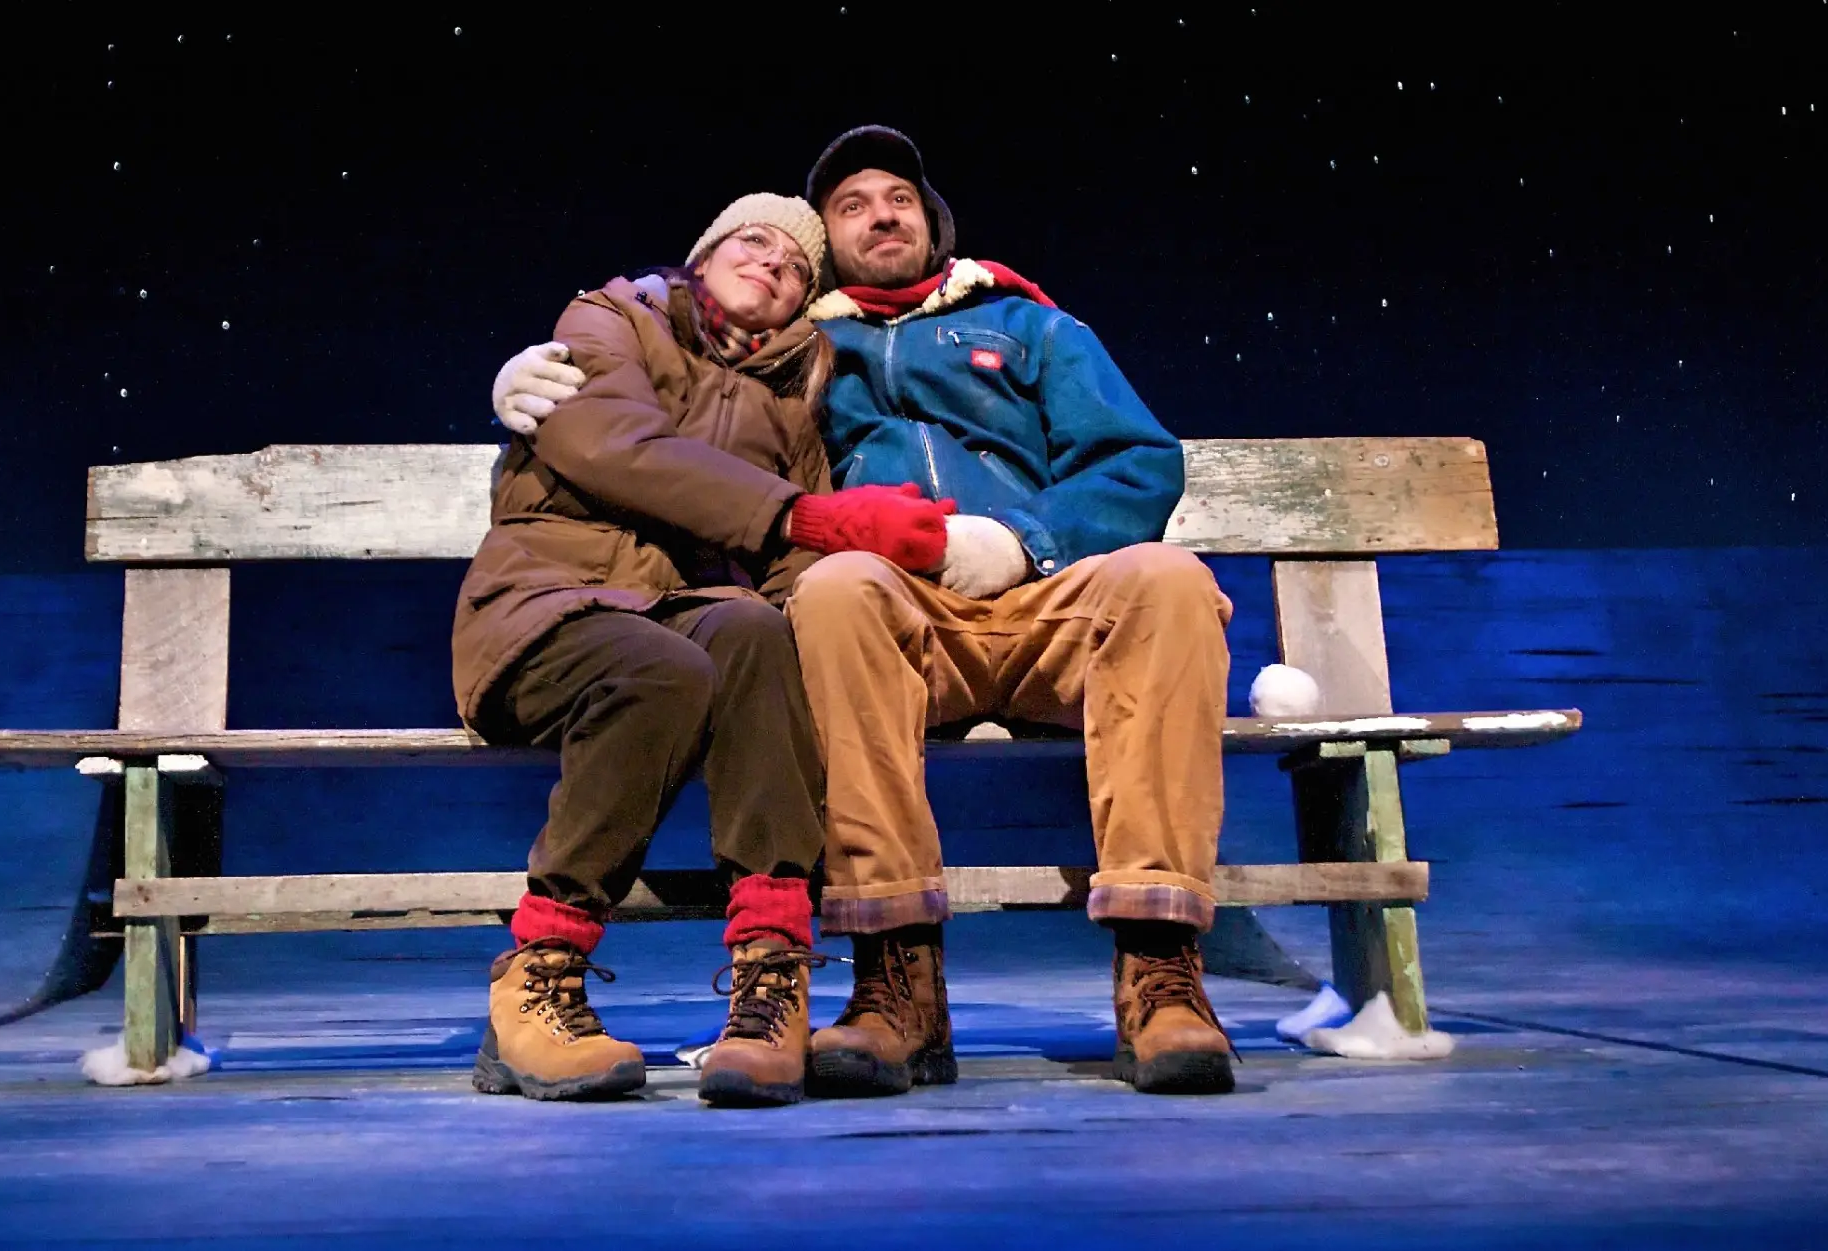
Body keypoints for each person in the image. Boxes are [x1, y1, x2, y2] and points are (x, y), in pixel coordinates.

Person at [490, 128, 1239, 1097]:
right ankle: (895, 982)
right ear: (824, 254)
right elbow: (687, 417)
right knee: (835, 591)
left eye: (900, 200)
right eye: (850, 207)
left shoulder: (1034, 327)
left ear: (934, 224)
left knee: (1169, 579)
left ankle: (1162, 975)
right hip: (897, 614)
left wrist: (1025, 541)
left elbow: (1137, 461)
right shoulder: (802, 356)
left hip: (1049, 603)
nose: (881, 216)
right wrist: (526, 376)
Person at [454, 192, 956, 1106]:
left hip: (684, 612)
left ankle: (772, 970)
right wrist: (804, 515)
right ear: (707, 252)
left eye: (796, 267)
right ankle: (540, 969)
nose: (773, 262)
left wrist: (894, 583)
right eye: (753, 241)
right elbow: (615, 444)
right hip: (547, 605)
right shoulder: (610, 317)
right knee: (664, 666)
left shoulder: (793, 406)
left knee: (761, 633)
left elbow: (790, 569)